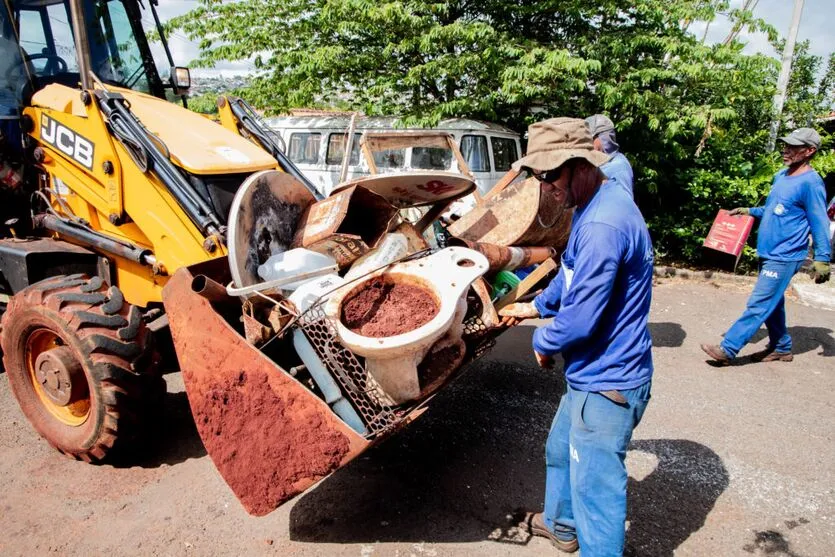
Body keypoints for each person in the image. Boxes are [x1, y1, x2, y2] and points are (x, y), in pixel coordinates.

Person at [500, 117, 654, 556]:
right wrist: (537, 305)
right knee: (559, 448)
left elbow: (583, 319)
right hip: (590, 373)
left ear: (581, 164)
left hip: (608, 382)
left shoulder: (604, 224)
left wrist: (542, 343)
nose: (544, 184)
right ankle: (561, 526)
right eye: (538, 174)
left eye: (550, 174)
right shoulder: (591, 206)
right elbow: (571, 277)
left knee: (597, 492)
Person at [701, 128, 831, 364]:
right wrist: (749, 211)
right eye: (786, 145)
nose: (786, 150)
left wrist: (822, 257)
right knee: (774, 301)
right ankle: (782, 347)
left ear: (810, 151)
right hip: (768, 250)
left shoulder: (811, 183)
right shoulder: (781, 176)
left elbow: (819, 221)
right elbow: (775, 209)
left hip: (786, 254)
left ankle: (728, 349)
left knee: (759, 302)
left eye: (794, 147)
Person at [585, 114, 634, 198]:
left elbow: (623, 203)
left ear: (601, 137)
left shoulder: (618, 167)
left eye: (589, 140)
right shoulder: (603, 164)